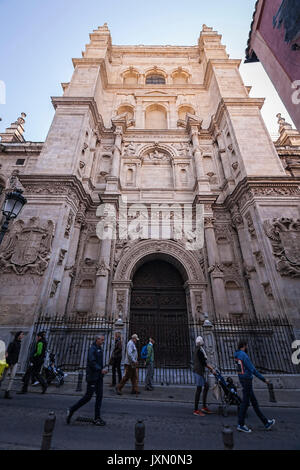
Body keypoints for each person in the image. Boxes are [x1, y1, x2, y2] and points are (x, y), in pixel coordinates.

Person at [234, 340, 275, 433]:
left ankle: (266, 422)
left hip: (242, 379)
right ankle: (240, 424)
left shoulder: (237, 355)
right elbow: (253, 369)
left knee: (254, 402)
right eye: (247, 346)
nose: (247, 347)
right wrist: (264, 379)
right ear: (244, 346)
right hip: (247, 380)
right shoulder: (244, 355)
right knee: (245, 403)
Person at [66, 335, 108, 426]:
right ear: (97, 339)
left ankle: (97, 418)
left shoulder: (99, 348)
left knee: (99, 396)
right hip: (93, 377)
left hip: (99, 377)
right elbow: (92, 362)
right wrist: (100, 369)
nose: (103, 341)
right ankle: (71, 409)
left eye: (103, 340)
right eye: (102, 340)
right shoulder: (92, 349)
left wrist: (102, 370)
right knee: (88, 397)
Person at [193, 336, 215, 416]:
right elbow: (203, 363)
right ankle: (196, 410)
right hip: (198, 372)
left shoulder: (197, 349)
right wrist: (211, 368)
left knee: (206, 386)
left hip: (199, 371)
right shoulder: (199, 351)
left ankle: (204, 406)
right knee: (199, 390)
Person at [0, 331, 24, 399]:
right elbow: (7, 353)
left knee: (12, 378)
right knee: (3, 377)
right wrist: (8, 363)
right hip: (9, 363)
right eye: (22, 334)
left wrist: (15, 362)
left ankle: (7, 391)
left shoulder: (19, 344)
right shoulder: (12, 343)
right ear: (18, 335)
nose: (23, 336)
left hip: (15, 362)